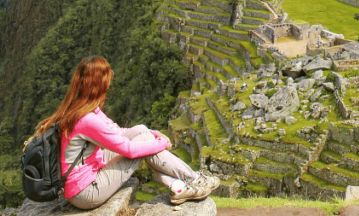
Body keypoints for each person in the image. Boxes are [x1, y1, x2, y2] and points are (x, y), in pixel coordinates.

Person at [33, 56, 220, 208]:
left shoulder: (82, 108)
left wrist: (155, 134)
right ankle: (194, 180)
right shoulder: (87, 119)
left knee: (142, 131)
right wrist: (161, 143)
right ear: (100, 83)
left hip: (88, 173)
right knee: (142, 143)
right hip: (86, 192)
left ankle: (177, 185)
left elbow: (117, 132)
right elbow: (128, 150)